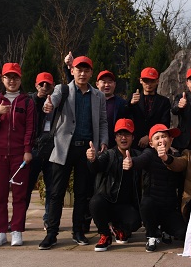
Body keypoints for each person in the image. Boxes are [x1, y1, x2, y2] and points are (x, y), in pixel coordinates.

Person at [38, 55, 108, 250]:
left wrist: (103, 141)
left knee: (82, 193)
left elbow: (103, 121)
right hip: (64, 147)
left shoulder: (98, 96)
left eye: (86, 70)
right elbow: (52, 102)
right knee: (56, 192)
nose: (82, 73)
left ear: (91, 73)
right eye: (79, 70)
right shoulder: (63, 89)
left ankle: (78, 231)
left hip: (87, 149)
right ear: (72, 71)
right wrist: (48, 105)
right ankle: (52, 233)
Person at [0, 63, 35, 247]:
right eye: (8, 77)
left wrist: (27, 150)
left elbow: (30, 128)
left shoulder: (27, 102)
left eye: (15, 77)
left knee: (19, 196)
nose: (12, 81)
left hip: (19, 155)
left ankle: (17, 231)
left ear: (20, 79)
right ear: (2, 79)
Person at [123, 124, 187, 252]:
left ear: (171, 140)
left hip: (169, 208)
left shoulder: (177, 156)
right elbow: (140, 160)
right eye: (157, 138)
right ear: (151, 144)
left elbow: (180, 167)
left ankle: (165, 230)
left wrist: (166, 158)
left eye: (164, 136)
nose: (161, 140)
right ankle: (151, 235)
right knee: (146, 203)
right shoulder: (149, 154)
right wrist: (131, 162)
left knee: (182, 233)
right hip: (152, 206)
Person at [86, 119, 142, 252]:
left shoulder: (138, 156)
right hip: (108, 201)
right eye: (120, 134)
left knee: (135, 222)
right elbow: (96, 167)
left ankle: (118, 228)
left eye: (127, 134)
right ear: (115, 138)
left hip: (126, 205)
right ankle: (105, 234)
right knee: (95, 202)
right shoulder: (108, 154)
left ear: (133, 137)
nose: (123, 138)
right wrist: (92, 159)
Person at [26, 72, 55, 230]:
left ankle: (49, 219)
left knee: (51, 188)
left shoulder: (56, 100)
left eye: (48, 84)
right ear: (36, 85)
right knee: (27, 187)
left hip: (52, 150)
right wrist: (39, 98)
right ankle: (19, 218)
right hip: (34, 149)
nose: (44, 87)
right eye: (41, 84)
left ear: (53, 86)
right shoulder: (30, 100)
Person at [129, 67, 171, 150]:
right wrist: (131, 104)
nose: (149, 84)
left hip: (156, 143)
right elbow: (126, 117)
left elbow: (164, 123)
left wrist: (149, 136)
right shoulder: (133, 98)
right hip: (135, 143)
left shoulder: (164, 101)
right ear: (141, 81)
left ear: (157, 81)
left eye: (152, 81)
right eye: (146, 81)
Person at [96, 70, 129, 149]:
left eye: (110, 82)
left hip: (115, 145)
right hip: (95, 143)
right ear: (97, 84)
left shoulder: (122, 104)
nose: (107, 85)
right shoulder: (92, 101)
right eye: (104, 82)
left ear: (115, 84)